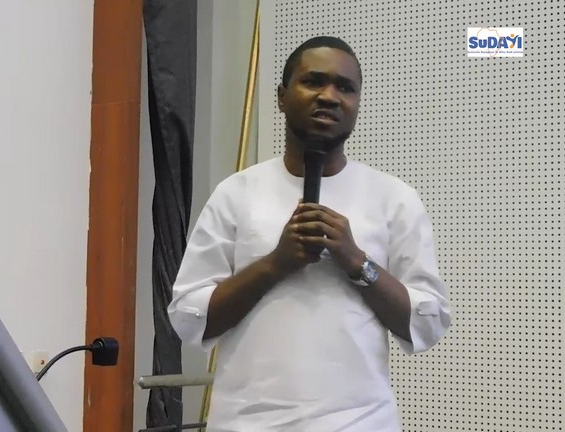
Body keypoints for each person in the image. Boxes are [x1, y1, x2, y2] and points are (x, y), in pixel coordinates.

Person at [167, 36, 451, 431]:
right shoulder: (236, 193)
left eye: (345, 87)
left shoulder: (394, 199)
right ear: (282, 97)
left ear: (356, 104)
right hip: (246, 423)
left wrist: (358, 263)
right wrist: (275, 264)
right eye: (314, 81)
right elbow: (190, 318)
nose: (329, 96)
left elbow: (426, 323)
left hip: (361, 422)